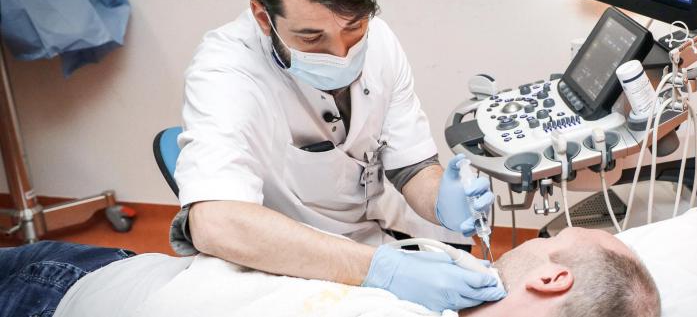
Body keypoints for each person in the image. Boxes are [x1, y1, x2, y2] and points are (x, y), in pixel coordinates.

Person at [167, 0, 502, 312]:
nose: (342, 54)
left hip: (383, 238)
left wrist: (443, 199)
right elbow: (215, 222)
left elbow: (410, 166)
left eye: (352, 28)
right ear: (262, 16)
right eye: (311, 39)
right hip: (299, 265)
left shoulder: (378, 39)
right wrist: (382, 270)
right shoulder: (226, 71)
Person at [0, 227, 660, 317]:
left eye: (547, 240)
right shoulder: (457, 276)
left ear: (551, 280)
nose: (533, 238)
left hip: (62, 288)